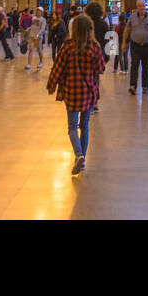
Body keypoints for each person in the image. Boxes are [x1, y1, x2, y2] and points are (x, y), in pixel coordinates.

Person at [45, 13, 106, 176]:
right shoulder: (95, 46)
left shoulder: (67, 46)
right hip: (88, 91)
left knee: (72, 126)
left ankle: (78, 154)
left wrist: (51, 84)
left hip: (71, 90)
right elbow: (101, 68)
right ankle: (83, 160)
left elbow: (58, 67)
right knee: (84, 126)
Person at [123, 0, 148, 96]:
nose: (142, 8)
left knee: (146, 66)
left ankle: (145, 87)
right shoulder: (132, 17)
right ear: (137, 7)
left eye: (143, 6)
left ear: (145, 6)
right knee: (134, 65)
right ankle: (132, 86)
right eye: (140, 6)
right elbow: (126, 29)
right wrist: (123, 43)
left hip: (147, 46)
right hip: (135, 45)